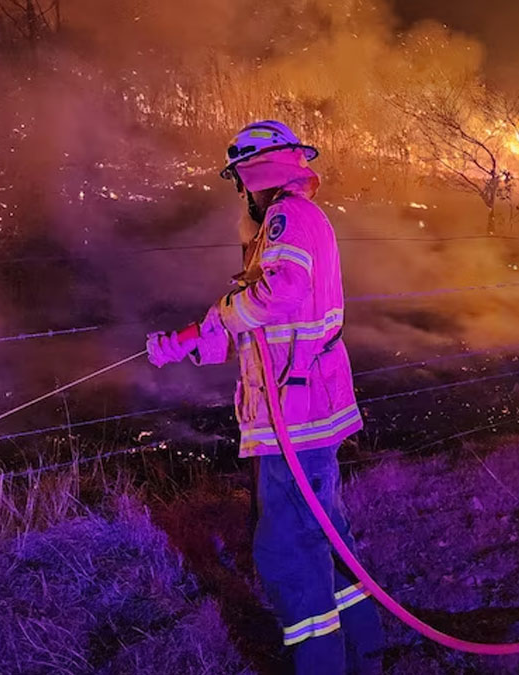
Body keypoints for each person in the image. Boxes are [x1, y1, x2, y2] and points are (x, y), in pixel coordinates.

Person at [145, 120, 383, 674]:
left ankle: (321, 664)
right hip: (305, 408)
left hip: (293, 417)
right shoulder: (293, 222)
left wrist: (222, 314)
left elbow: (281, 294)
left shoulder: (286, 217)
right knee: (325, 532)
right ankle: (364, 649)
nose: (241, 196)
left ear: (251, 177)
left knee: (287, 551)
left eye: (240, 182)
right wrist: (189, 342)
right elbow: (262, 323)